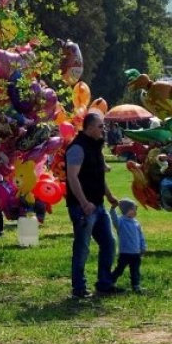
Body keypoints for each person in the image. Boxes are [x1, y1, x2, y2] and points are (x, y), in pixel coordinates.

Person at [66, 112, 120, 297]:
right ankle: (79, 288)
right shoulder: (77, 148)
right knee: (82, 247)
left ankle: (104, 283)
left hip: (98, 205)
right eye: (100, 126)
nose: (103, 129)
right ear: (89, 127)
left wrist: (110, 196)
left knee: (109, 243)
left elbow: (99, 177)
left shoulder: (96, 147)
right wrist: (83, 202)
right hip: (83, 208)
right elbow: (72, 177)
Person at [109, 198, 146, 293]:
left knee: (135, 271)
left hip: (136, 253)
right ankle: (110, 282)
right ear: (127, 210)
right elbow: (114, 219)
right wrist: (113, 209)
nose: (135, 211)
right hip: (125, 252)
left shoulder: (136, 223)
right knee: (120, 269)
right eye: (133, 209)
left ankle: (136, 286)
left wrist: (143, 247)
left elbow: (141, 236)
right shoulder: (121, 222)